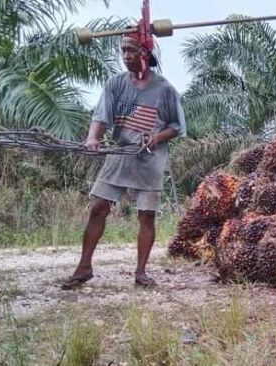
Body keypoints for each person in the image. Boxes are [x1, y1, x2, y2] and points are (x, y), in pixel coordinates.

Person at [61, 32, 186, 289]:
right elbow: (101, 117)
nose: (126, 55)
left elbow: (177, 126)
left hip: (150, 159)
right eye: (123, 50)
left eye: (131, 50)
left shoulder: (164, 89)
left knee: (146, 215)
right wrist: (92, 138)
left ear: (145, 54)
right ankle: (84, 266)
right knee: (98, 207)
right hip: (120, 152)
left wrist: (156, 137)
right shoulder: (115, 84)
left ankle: (141, 272)